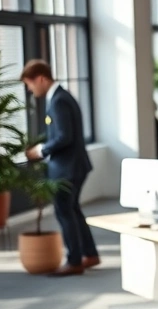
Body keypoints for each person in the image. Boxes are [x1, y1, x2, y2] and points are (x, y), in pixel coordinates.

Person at [21, 60, 99, 277]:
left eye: (30, 84)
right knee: (72, 209)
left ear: (41, 78)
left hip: (68, 168)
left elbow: (64, 136)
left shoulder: (58, 101)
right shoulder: (61, 97)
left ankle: (74, 261)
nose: (30, 90)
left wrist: (41, 151)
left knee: (64, 211)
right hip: (74, 166)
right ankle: (89, 254)